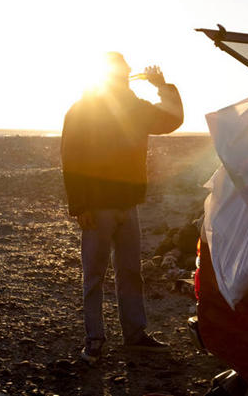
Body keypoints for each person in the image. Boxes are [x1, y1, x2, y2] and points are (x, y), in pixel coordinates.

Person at [61, 52, 183, 365]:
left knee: (131, 273)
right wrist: (80, 205)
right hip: (97, 206)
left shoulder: (135, 108)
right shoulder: (82, 109)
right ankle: (94, 339)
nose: (126, 74)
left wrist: (163, 86)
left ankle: (135, 335)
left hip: (128, 206)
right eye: (121, 70)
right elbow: (71, 158)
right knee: (95, 276)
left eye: (126, 70)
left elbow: (172, 120)